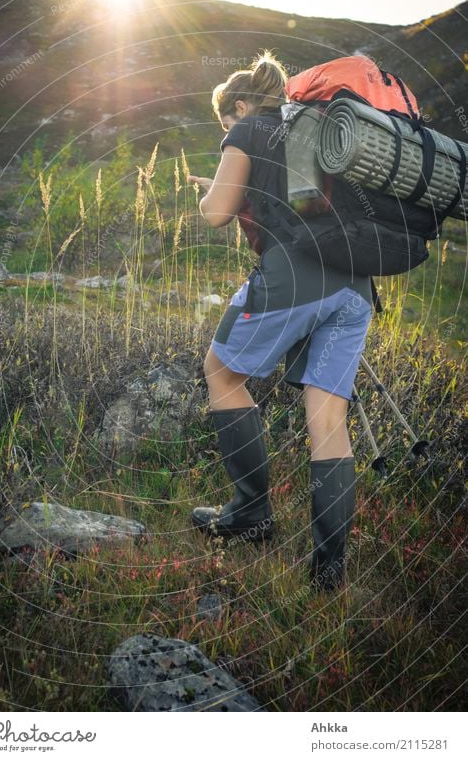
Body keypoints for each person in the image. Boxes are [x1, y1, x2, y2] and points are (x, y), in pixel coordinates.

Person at [188, 50, 374, 591]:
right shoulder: (310, 129)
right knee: (328, 421)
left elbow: (218, 212)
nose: (226, 130)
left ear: (241, 105)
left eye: (226, 120)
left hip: (295, 276)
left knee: (222, 375)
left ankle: (250, 513)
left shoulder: (246, 131)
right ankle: (328, 571)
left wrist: (209, 195)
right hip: (356, 284)